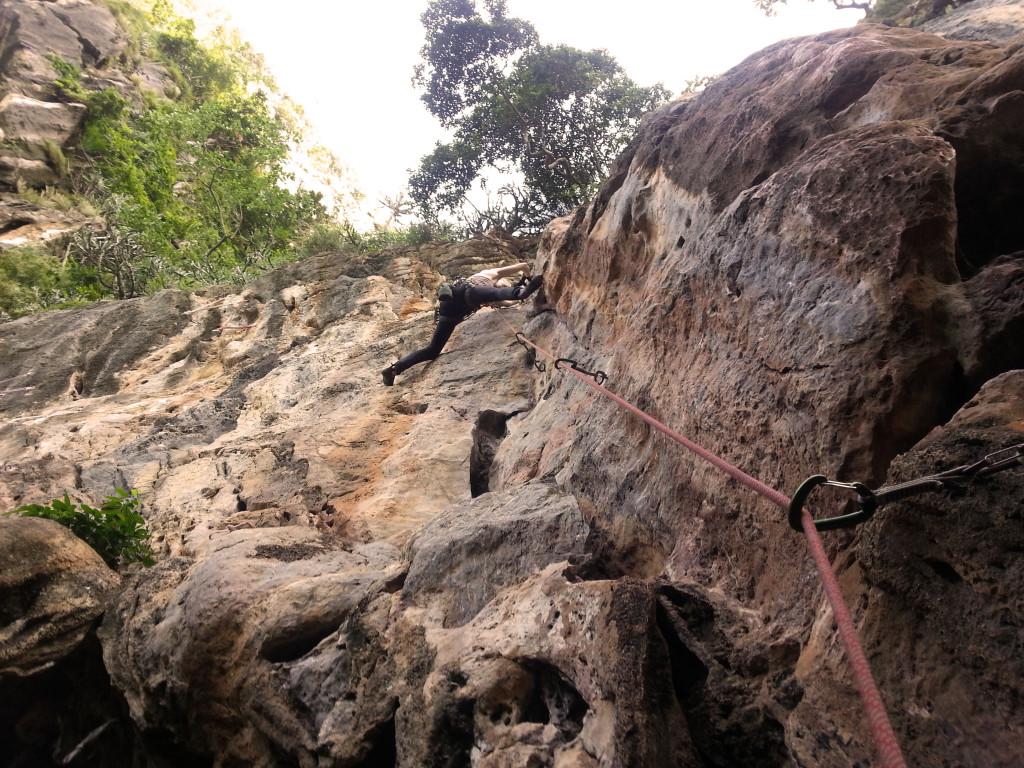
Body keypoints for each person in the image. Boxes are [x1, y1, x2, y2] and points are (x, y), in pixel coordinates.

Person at [382, 263, 543, 386]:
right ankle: (520, 291)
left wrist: (521, 296)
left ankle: (394, 369)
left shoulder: (490, 296)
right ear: (502, 281)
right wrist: (527, 280)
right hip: (466, 291)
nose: (503, 287)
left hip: (450, 311)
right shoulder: (490, 275)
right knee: (498, 293)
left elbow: (507, 303)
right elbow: (523, 267)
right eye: (505, 284)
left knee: (432, 350)